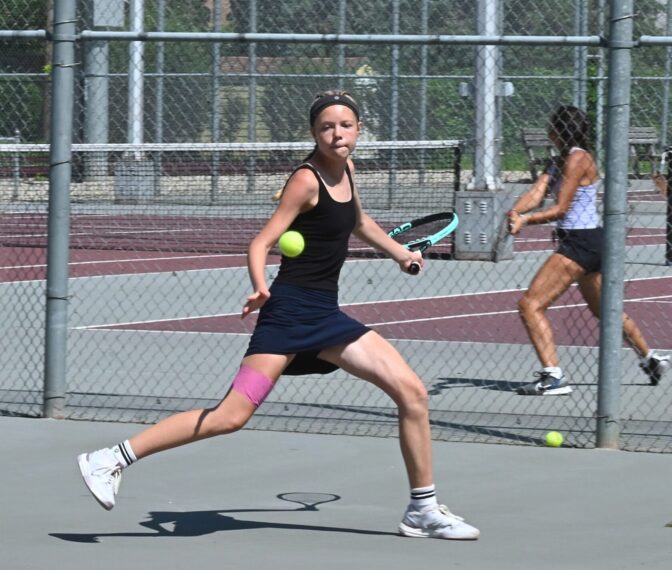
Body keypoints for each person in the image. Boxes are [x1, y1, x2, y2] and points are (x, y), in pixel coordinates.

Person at [76, 90, 480, 540]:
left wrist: (399, 254)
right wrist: (260, 285)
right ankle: (110, 458)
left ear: (358, 130)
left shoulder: (347, 169)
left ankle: (422, 509)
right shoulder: (305, 181)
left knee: (412, 392)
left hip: (327, 319)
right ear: (313, 133)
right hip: (287, 316)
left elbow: (361, 223)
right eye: (327, 126)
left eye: (345, 125)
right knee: (230, 416)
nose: (337, 133)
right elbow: (261, 242)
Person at [508, 105, 670, 395]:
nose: (548, 132)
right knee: (605, 311)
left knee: (530, 305)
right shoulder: (558, 161)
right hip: (589, 243)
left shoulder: (579, 159)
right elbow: (536, 193)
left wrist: (527, 220)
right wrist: (514, 212)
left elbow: (560, 208)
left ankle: (553, 376)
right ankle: (650, 359)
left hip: (580, 243)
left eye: (551, 127)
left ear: (558, 131)